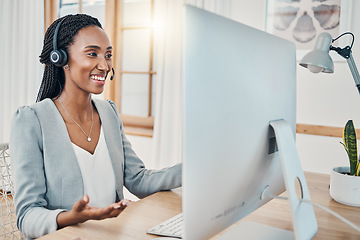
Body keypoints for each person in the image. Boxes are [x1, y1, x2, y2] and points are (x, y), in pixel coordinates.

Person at [10, 14, 182, 239]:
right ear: (61, 58)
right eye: (92, 54)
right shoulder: (31, 120)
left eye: (108, 55)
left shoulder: (109, 113)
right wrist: (72, 216)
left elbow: (138, 179)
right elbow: (27, 217)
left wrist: (193, 169)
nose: (104, 65)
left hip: (112, 233)